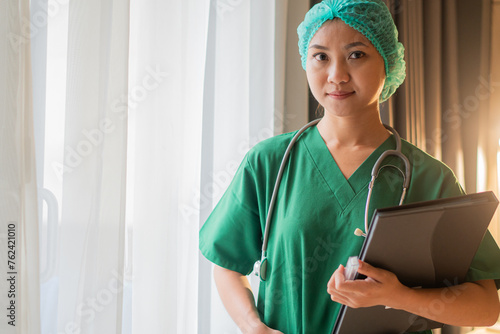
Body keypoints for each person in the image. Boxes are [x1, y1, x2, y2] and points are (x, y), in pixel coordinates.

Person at [199, 0, 500, 333]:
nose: (336, 76)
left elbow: (485, 307)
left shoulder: (429, 177)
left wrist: (399, 296)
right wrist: (254, 326)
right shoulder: (269, 161)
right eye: (321, 56)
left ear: (388, 62)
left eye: (356, 55)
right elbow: (226, 265)